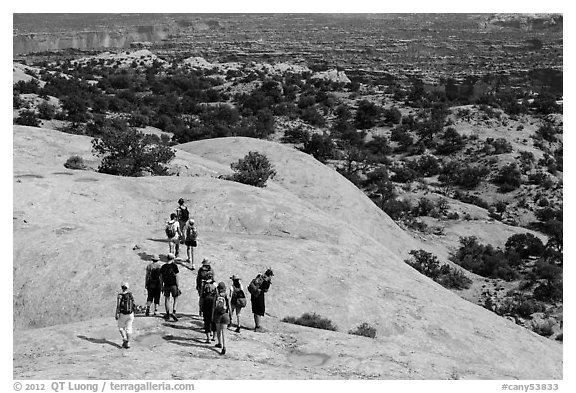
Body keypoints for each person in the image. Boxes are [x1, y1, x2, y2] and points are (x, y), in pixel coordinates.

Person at [212, 282, 232, 355]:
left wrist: (212, 315)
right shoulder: (227, 296)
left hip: (217, 315)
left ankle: (219, 343)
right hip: (225, 314)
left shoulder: (216, 296)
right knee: (224, 332)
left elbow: (214, 306)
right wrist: (231, 316)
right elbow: (229, 306)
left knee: (218, 330)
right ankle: (224, 346)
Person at [160, 253, 180, 322]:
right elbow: (177, 276)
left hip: (166, 285)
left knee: (167, 299)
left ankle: (167, 314)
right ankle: (174, 312)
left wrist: (161, 286)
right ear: (173, 259)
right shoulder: (174, 266)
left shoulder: (163, 266)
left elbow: (161, 278)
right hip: (173, 284)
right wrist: (178, 285)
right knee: (176, 298)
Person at [115, 282, 135, 349]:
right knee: (129, 328)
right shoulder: (130, 294)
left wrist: (116, 313)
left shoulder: (120, 295)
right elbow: (133, 304)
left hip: (123, 314)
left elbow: (118, 306)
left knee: (121, 327)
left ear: (122, 287)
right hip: (130, 314)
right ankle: (128, 343)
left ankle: (124, 338)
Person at [200, 277, 217, 344]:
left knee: (207, 322)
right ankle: (214, 337)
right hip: (214, 309)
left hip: (206, 309)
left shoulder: (204, 293)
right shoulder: (215, 286)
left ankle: (208, 339)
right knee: (214, 322)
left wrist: (201, 309)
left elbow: (201, 300)